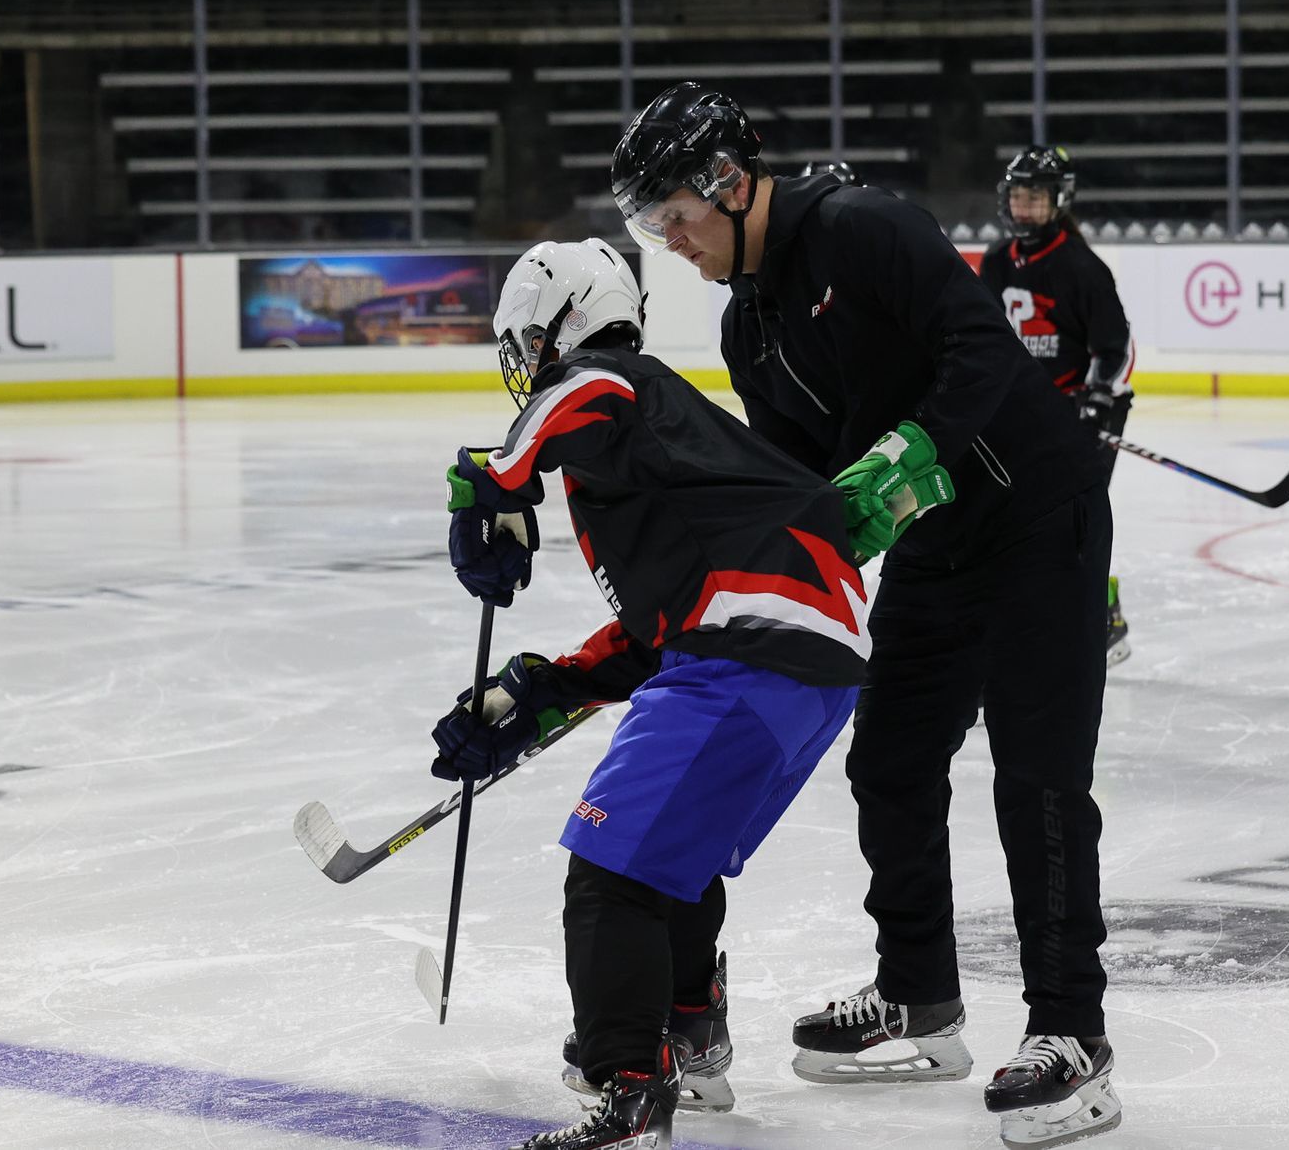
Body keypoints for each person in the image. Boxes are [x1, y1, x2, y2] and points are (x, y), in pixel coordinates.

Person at [610, 83, 1123, 1150]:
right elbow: (797, 476)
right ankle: (920, 995)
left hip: (1038, 514)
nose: (673, 240)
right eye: (653, 226)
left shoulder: (864, 228)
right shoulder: (748, 322)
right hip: (936, 545)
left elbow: (980, 350)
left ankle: (1072, 1030)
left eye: (675, 216)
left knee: (1037, 775)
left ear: (729, 181)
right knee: (889, 759)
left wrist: (914, 448)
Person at [432, 238, 906, 1150]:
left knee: (609, 870)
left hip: (756, 657)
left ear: (565, 324)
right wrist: (537, 690)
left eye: (530, 341)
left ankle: (630, 1086)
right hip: (802, 662)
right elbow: (662, 630)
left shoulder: (615, 388)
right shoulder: (653, 442)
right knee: (667, 857)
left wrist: (495, 479)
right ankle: (690, 1025)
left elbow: (588, 390)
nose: (523, 367)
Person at [977, 145, 1137, 667]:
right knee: (1012, 523)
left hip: (1084, 412)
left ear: (1060, 200)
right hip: (1024, 411)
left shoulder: (1081, 267)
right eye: (1018, 197)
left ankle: (1102, 616)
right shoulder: (999, 261)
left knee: (1074, 526)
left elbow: (1116, 348)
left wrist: (1094, 402)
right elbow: (984, 336)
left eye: (1035, 198)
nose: (1024, 209)